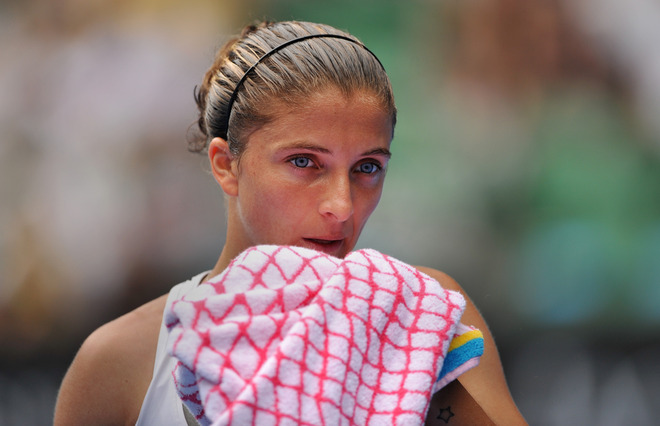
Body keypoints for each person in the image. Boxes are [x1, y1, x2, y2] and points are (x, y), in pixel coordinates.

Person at [54, 20, 526, 425]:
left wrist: (417, 364)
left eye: (367, 168)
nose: (341, 206)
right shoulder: (116, 362)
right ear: (226, 164)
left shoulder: (430, 311)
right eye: (304, 162)